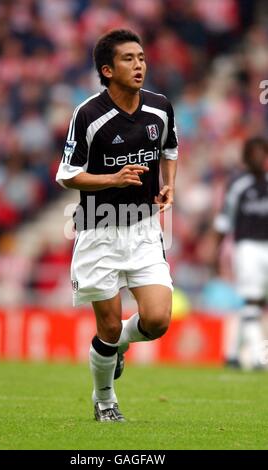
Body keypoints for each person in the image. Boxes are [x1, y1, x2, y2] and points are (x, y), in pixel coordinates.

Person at [56, 29, 178, 421]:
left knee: (158, 319)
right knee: (106, 327)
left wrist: (168, 185)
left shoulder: (160, 108)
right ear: (107, 70)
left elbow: (170, 150)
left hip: (143, 229)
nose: (139, 64)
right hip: (98, 229)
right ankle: (105, 400)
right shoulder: (89, 115)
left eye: (141, 57)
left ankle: (119, 347)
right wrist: (113, 178)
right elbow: (67, 174)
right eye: (128, 59)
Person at [213, 136, 268, 369]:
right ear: (246, 157)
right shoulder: (238, 184)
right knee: (251, 301)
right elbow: (223, 221)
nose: (258, 158)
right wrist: (216, 252)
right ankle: (258, 358)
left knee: (255, 304)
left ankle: (232, 353)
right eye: (253, 153)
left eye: (262, 153)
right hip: (246, 248)